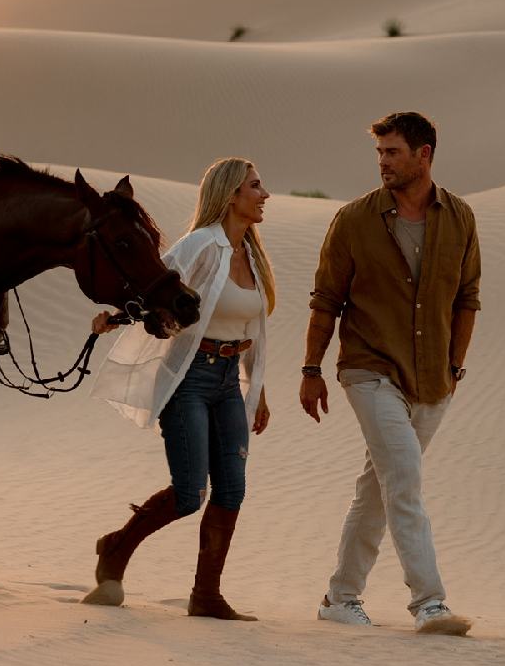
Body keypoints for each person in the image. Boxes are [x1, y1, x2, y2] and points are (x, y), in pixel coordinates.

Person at [300, 111, 480, 635]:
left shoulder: (461, 217)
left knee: (377, 491)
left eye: (393, 152)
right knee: (404, 481)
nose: (382, 162)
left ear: (424, 155)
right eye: (379, 153)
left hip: (433, 380)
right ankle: (429, 602)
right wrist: (311, 368)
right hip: (368, 369)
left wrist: (454, 365)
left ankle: (340, 596)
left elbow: (467, 298)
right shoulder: (354, 219)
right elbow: (325, 299)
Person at [81, 157, 275, 620]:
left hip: (230, 382)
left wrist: (258, 389)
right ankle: (116, 547)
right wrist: (117, 317)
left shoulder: (251, 252)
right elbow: (154, 284)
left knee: (232, 490)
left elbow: (252, 324)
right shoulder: (200, 246)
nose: (264, 194)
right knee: (190, 494)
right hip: (190, 377)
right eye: (255, 186)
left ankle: (206, 596)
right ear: (231, 195)